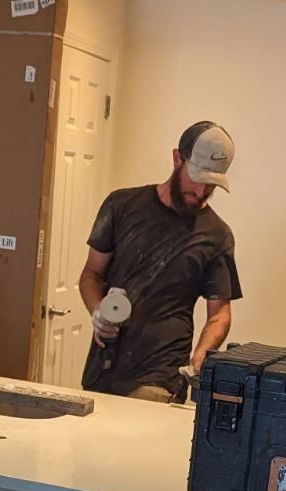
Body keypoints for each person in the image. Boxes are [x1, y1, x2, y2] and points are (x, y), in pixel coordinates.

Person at [78, 121, 241, 400]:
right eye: (197, 178)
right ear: (178, 158)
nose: (201, 192)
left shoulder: (217, 235)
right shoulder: (121, 206)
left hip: (161, 375)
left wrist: (205, 350)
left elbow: (219, 313)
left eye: (211, 185)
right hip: (103, 369)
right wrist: (97, 311)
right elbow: (91, 274)